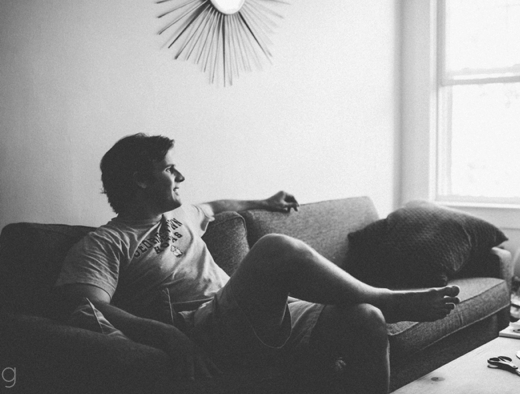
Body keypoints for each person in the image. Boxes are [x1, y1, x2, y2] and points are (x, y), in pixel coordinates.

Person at [55, 133, 460, 394]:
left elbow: (218, 206)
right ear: (142, 179)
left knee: (365, 318)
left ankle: (379, 304)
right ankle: (392, 299)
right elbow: (87, 305)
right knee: (275, 249)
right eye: (169, 168)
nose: (180, 174)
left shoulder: (181, 217)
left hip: (246, 315)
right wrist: (166, 335)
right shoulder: (105, 243)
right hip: (203, 331)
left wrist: (264, 202)